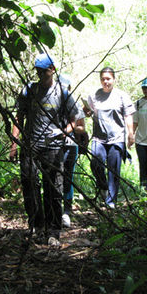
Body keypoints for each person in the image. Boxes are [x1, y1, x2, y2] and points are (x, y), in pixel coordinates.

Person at [9, 53, 79, 245]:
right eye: (38, 71)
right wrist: (14, 144)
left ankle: (53, 231)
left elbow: (75, 121)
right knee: (29, 185)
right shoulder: (29, 90)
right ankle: (37, 226)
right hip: (30, 145)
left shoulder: (63, 93)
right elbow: (19, 116)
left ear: (53, 70)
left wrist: (62, 132)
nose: (40, 75)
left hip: (53, 148)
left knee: (53, 190)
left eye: (44, 71)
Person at [84, 67, 135, 208]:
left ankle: (111, 201)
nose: (105, 82)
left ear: (113, 79)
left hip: (116, 138)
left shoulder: (121, 96)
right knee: (95, 161)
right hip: (98, 138)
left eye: (108, 79)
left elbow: (128, 115)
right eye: (103, 79)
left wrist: (131, 134)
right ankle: (103, 186)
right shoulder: (94, 95)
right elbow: (88, 112)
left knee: (113, 170)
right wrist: (87, 111)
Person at [58, 74, 86, 228]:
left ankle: (66, 212)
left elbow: (82, 127)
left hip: (70, 145)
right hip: (54, 145)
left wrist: (71, 128)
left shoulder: (74, 103)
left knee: (68, 177)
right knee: (55, 176)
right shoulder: (52, 101)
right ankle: (55, 210)